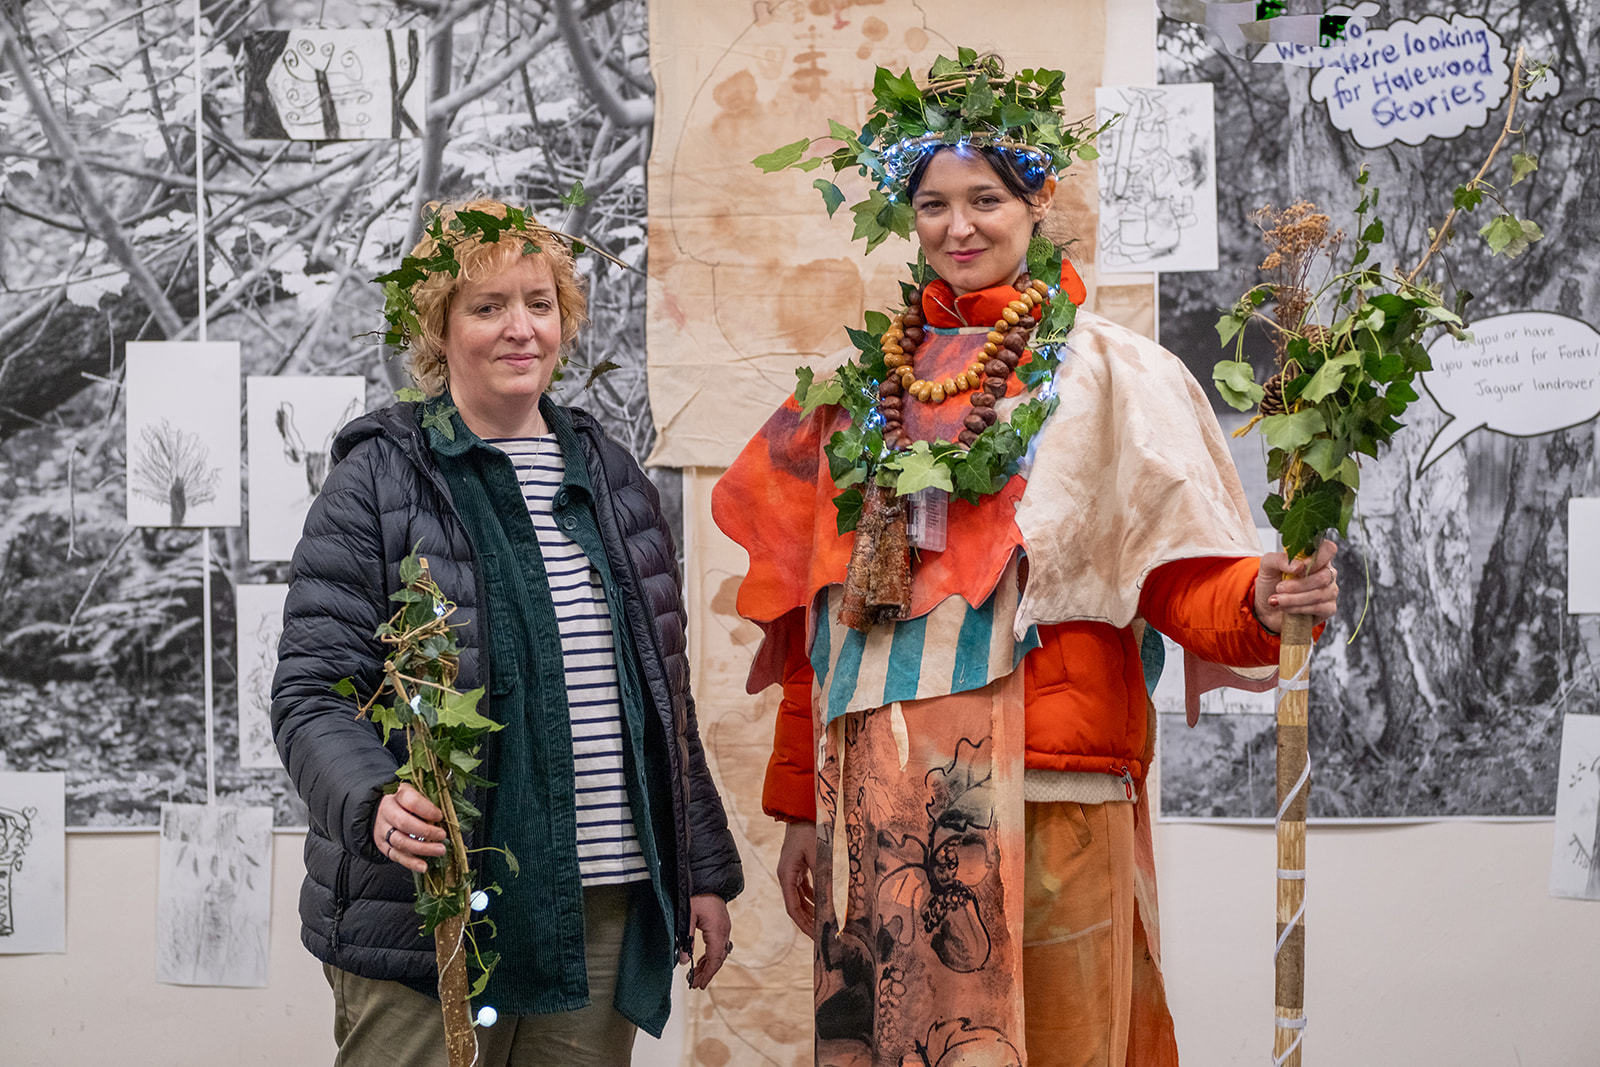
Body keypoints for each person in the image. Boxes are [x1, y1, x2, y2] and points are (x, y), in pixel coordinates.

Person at [712, 56, 1338, 1066]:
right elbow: (817, 628)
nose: (959, 226)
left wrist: (1263, 597)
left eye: (985, 199)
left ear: (1037, 197)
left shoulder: (1108, 372)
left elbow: (1175, 573)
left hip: (1051, 794)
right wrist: (796, 807)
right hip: (880, 804)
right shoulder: (856, 389)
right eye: (932, 204)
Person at [272, 197, 742, 1066]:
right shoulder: (378, 480)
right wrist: (374, 798)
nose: (519, 328)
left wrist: (702, 869)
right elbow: (312, 694)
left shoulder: (612, 477)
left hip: (600, 902)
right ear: (439, 329)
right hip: (432, 902)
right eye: (487, 307)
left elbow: (659, 698)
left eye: (539, 302)